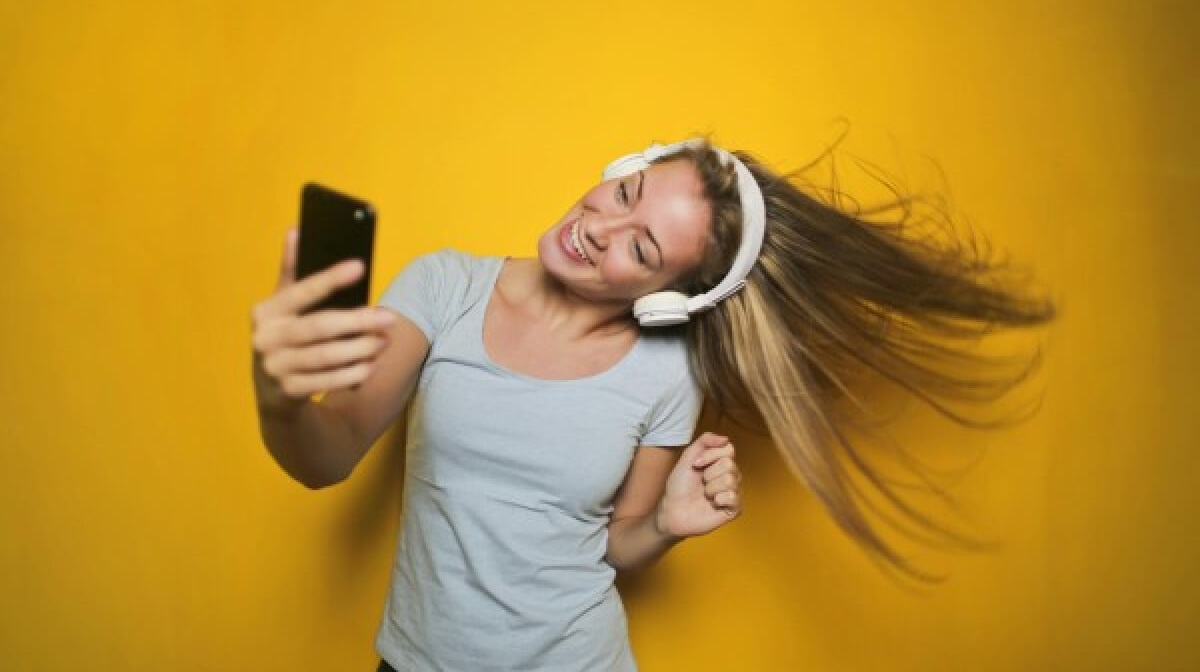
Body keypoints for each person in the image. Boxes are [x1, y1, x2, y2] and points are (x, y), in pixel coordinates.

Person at [251, 136, 1056, 671]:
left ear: (670, 300)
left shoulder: (667, 371)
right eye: (624, 192)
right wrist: (282, 396)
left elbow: (614, 547)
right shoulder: (444, 285)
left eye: (642, 247)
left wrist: (665, 526)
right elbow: (328, 456)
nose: (601, 226)